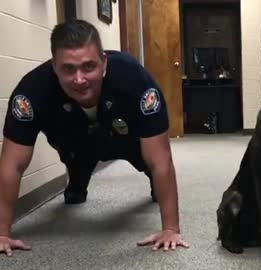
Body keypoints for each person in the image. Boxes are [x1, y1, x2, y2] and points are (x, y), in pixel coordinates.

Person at [0, 19, 189, 256]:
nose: (80, 79)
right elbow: (11, 164)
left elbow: (161, 159)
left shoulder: (134, 80)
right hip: (74, 142)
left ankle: (152, 183)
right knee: (75, 184)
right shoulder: (32, 91)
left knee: (150, 163)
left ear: (104, 63)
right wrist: (2, 233)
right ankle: (77, 180)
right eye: (68, 69)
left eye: (89, 66)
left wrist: (170, 229)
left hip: (126, 138)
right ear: (54, 67)